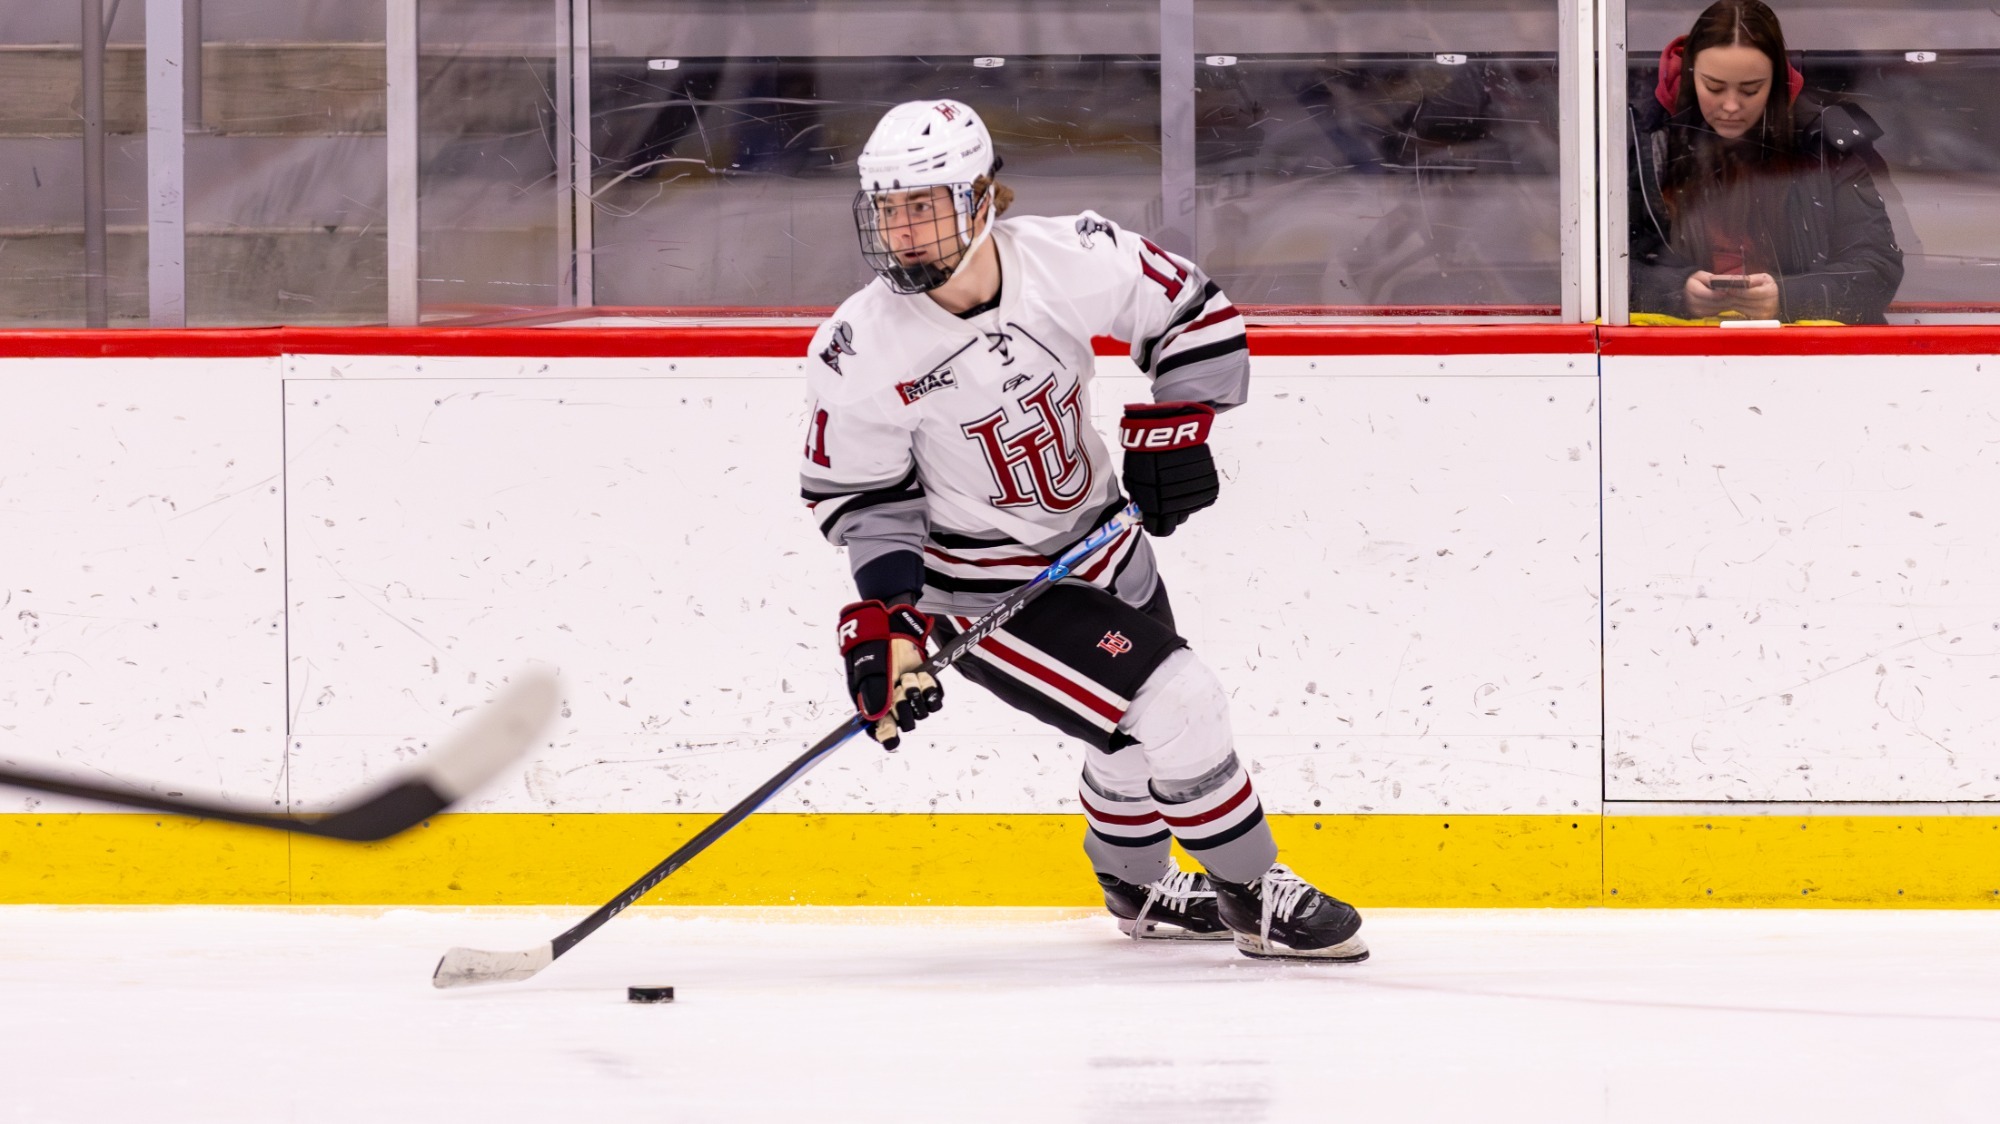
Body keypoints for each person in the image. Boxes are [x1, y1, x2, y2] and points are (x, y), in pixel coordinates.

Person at [798, 99, 1366, 962]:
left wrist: (1179, 426)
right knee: (1180, 701)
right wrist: (894, 613)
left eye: (924, 205)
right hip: (987, 587)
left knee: (1141, 736)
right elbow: (866, 496)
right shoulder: (858, 346)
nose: (902, 231)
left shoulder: (1072, 256)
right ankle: (1252, 892)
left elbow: (1193, 313)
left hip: (1107, 544)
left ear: (983, 198)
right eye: (887, 208)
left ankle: (1136, 888)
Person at [1628, 0, 1903, 324]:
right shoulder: (1644, 141)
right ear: (1690, 76)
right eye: (1713, 87)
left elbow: (1878, 269)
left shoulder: (1823, 141)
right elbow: (1596, 269)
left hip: (1802, 354)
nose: (1730, 105)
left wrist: (1788, 298)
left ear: (1775, 84)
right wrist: (1675, 293)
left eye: (1750, 90)